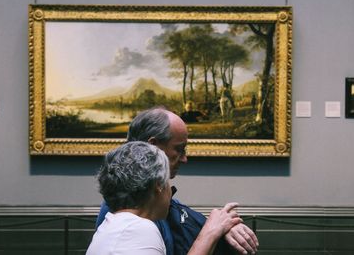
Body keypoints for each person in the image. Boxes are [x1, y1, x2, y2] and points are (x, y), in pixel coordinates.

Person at [95, 107, 259, 255]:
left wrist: (226, 226)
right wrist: (211, 232)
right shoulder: (132, 221)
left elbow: (195, 221)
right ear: (153, 147)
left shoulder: (152, 203)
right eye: (179, 149)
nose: (185, 159)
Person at [87, 141, 242, 255]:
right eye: (167, 180)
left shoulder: (115, 224)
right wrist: (211, 231)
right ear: (158, 185)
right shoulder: (137, 229)